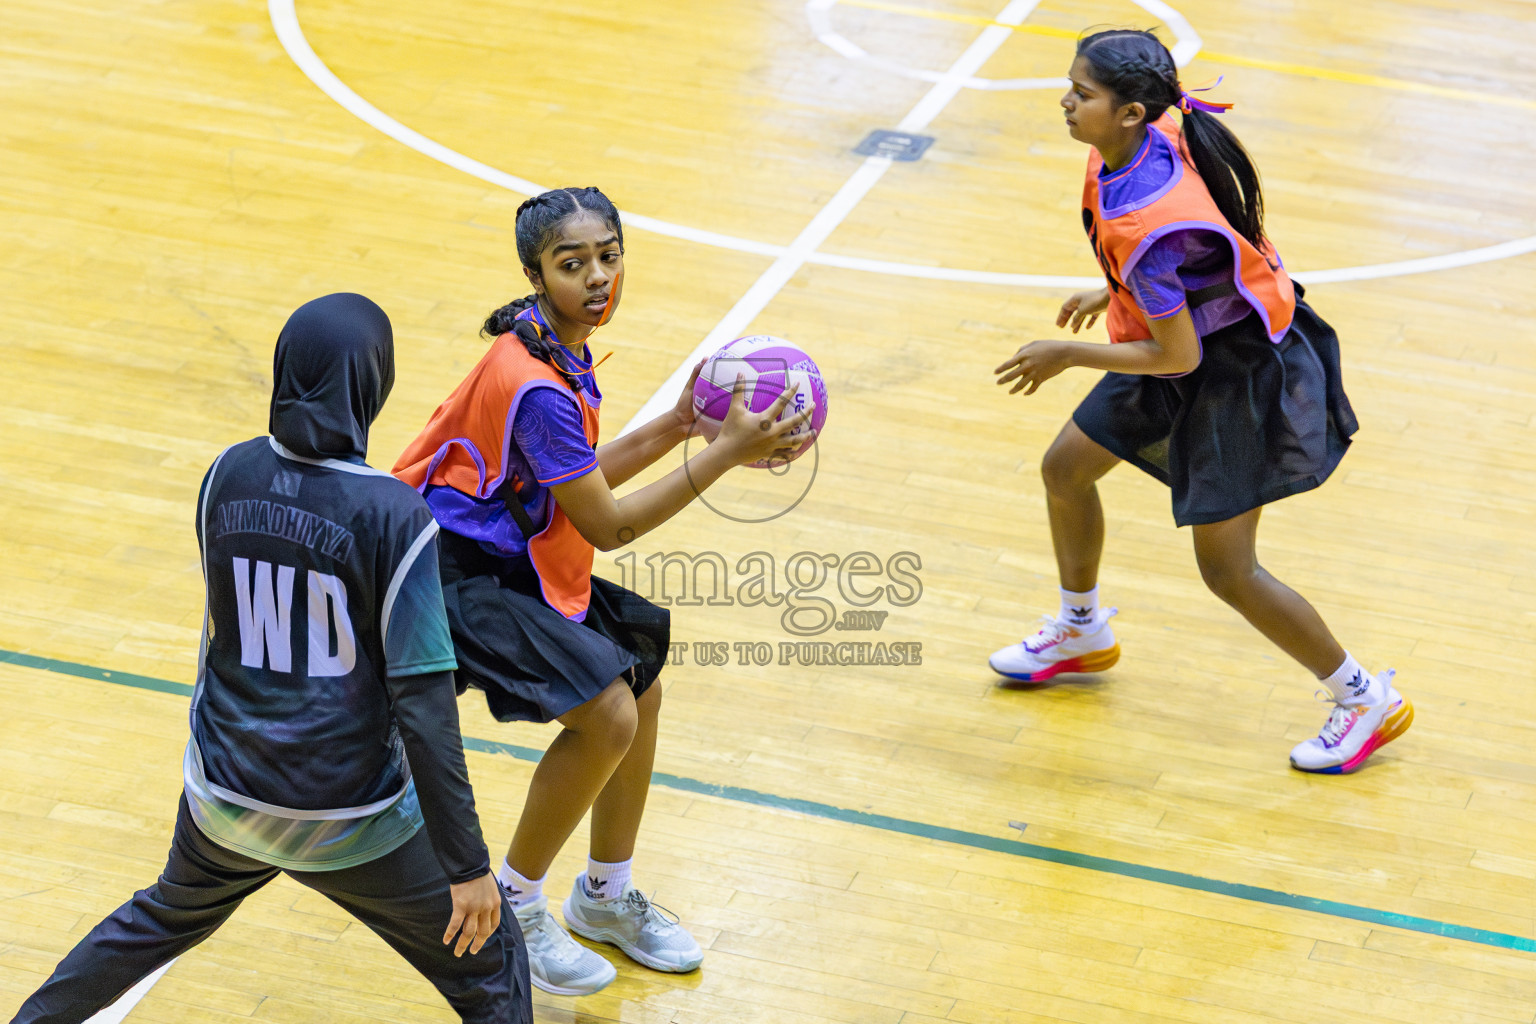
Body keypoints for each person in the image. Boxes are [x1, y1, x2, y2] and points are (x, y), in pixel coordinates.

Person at [9, 294, 530, 1024]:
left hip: (224, 799)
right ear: (370, 382)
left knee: (158, 918)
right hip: (354, 817)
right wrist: (469, 868)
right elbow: (424, 708)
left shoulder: (226, 472)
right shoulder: (393, 514)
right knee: (493, 960)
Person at [394, 187, 813, 994]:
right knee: (608, 709)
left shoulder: (555, 343)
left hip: (505, 554)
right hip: (445, 576)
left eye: (609, 256)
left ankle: (606, 896)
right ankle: (514, 908)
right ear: (534, 271)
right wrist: (723, 452)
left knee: (639, 682)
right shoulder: (539, 382)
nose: (597, 277)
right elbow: (609, 526)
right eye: (571, 263)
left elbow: (570, 485)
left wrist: (680, 423)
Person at [988, 30, 1413, 775]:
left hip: (1229, 377)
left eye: (1082, 93)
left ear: (1130, 113)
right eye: (1071, 86)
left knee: (1228, 571)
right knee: (1066, 470)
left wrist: (1065, 354)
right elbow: (1175, 285)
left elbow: (1175, 351)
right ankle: (1082, 630)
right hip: (1175, 346)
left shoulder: (1154, 219)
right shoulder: (1134, 147)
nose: (1065, 100)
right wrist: (1114, 291)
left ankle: (1362, 696)